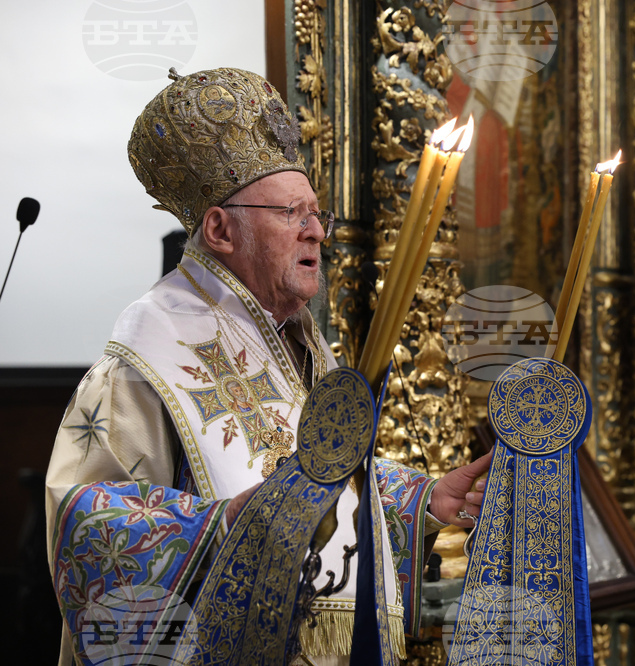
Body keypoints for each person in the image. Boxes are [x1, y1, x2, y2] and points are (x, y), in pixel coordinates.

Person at [45, 66, 488, 666]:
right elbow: (84, 526)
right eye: (290, 214)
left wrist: (426, 501)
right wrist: (226, 524)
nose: (316, 233)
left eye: (316, 215)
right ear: (221, 229)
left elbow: (319, 484)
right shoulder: (144, 358)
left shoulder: (297, 342)